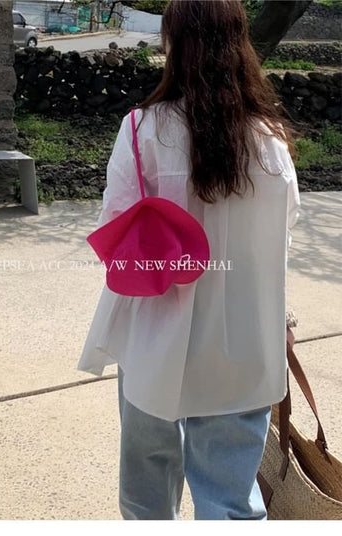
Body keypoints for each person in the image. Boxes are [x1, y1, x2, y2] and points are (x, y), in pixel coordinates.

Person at [77, 0, 301, 521]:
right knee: (230, 501)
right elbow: (279, 239)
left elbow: (116, 227)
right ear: (239, 45)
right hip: (245, 338)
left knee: (147, 498)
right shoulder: (271, 141)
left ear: (173, 44)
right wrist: (284, 319)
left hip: (156, 335)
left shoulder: (143, 129)